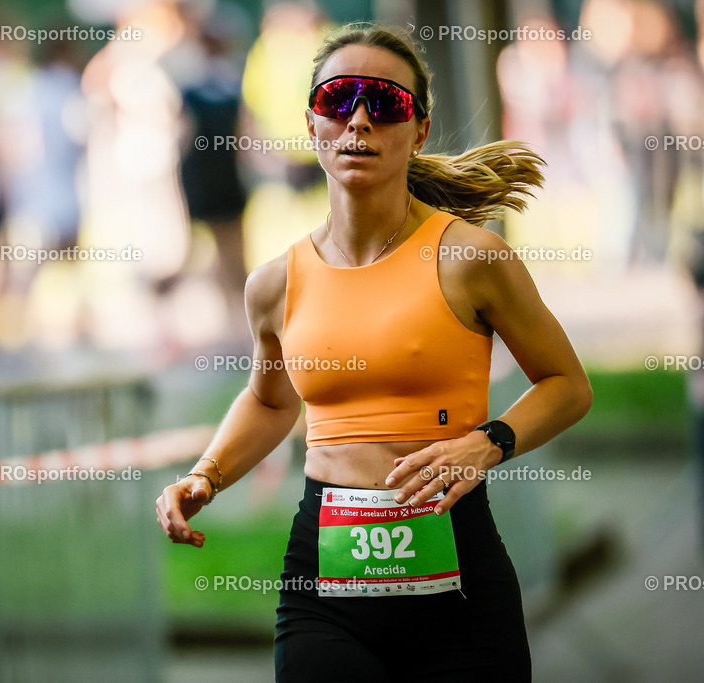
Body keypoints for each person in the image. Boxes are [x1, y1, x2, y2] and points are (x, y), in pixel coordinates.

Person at [156, 24, 592, 681]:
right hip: (325, 593)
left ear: (417, 130)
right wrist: (207, 474)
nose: (359, 118)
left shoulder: (472, 258)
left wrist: (488, 441)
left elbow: (567, 383)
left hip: (460, 590)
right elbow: (270, 401)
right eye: (339, 98)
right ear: (312, 123)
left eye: (384, 103)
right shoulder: (274, 282)